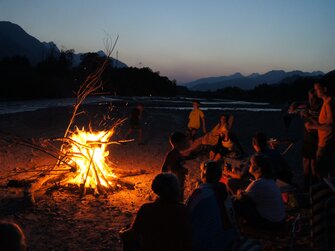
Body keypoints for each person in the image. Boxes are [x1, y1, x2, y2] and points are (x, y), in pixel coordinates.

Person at [119, 173, 192, 251]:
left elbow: (132, 234)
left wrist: (122, 233)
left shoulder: (147, 209)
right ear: (176, 189)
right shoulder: (183, 210)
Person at [187, 161, 237, 251]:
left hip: (209, 244)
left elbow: (187, 214)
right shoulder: (224, 191)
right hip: (229, 237)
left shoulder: (200, 193)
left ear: (203, 174)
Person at [233, 154, 286, 230]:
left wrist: (239, 193)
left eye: (251, 164)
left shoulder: (257, 184)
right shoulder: (270, 181)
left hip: (270, 223)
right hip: (280, 220)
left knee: (235, 202)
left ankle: (237, 226)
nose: (249, 165)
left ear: (258, 169)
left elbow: (241, 198)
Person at [289, 89, 322, 191]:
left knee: (314, 166)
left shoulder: (322, 108)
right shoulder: (308, 106)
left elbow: (323, 124)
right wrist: (295, 105)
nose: (311, 100)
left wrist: (309, 117)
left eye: (313, 98)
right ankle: (306, 187)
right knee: (305, 163)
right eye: (309, 97)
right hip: (307, 139)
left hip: (317, 140)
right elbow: (298, 105)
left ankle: (316, 188)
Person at [305, 82, 335, 180]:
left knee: (321, 174)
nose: (316, 92)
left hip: (325, 144)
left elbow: (330, 127)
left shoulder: (329, 103)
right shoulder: (326, 102)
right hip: (324, 143)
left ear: (325, 89)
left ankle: (323, 193)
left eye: (317, 89)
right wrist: (310, 119)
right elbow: (323, 123)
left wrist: (313, 127)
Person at [161, 132, 189, 201]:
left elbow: (177, 165)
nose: (186, 144)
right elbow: (165, 168)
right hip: (175, 183)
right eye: (184, 142)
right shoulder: (172, 154)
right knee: (176, 198)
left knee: (180, 197)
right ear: (177, 144)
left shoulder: (178, 153)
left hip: (178, 181)